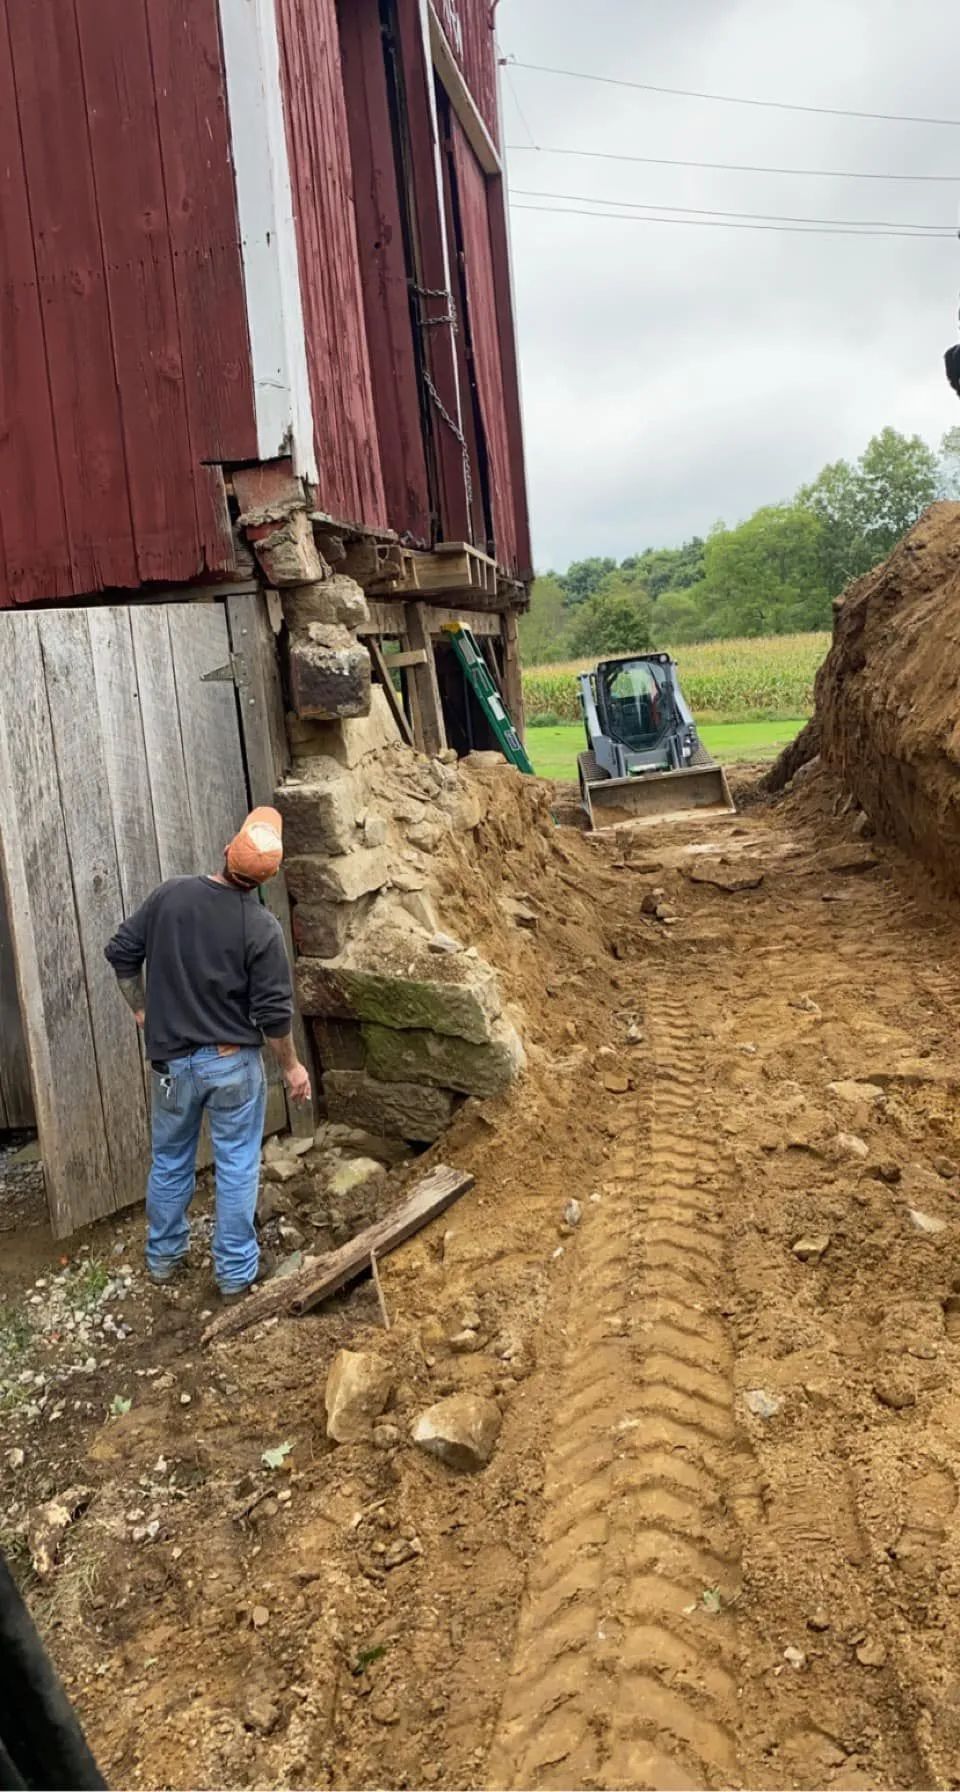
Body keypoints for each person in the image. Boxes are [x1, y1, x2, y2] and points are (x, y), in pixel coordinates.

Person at [104, 807, 311, 1301]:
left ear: (226, 850)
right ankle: (236, 1274)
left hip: (172, 1064)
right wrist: (292, 1067)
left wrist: (141, 1010)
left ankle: (163, 1259)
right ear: (267, 878)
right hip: (231, 1063)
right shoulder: (260, 927)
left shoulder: (171, 895)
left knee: (171, 1160)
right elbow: (274, 1017)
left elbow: (120, 953)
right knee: (237, 1163)